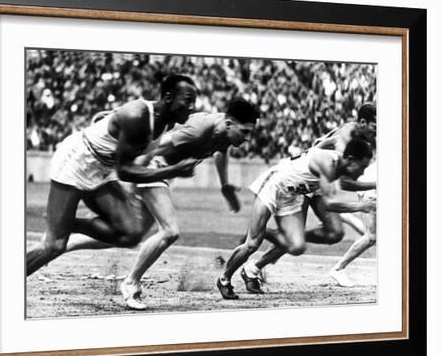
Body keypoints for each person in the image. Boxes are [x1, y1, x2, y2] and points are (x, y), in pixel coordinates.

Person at [26, 75, 199, 276]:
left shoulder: (166, 124)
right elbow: (125, 172)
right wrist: (174, 170)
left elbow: (128, 155)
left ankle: (64, 222)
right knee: (54, 245)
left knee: (131, 234)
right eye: (188, 100)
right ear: (169, 98)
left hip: (101, 169)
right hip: (76, 161)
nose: (193, 107)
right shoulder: (139, 115)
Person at [118, 98, 259, 309]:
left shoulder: (224, 131)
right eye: (245, 131)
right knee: (170, 231)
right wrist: (131, 179)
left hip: (163, 173)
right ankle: (130, 283)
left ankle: (57, 244)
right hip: (153, 167)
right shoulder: (197, 129)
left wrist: (224, 185)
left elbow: (221, 151)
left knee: (129, 233)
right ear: (229, 123)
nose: (247, 138)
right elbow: (153, 148)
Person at [238, 104, 377, 289]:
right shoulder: (346, 137)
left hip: (318, 182)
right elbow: (342, 181)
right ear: (362, 122)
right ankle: (254, 266)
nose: (378, 131)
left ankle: (267, 242)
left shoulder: (360, 139)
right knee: (298, 237)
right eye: (376, 126)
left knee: (334, 233)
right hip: (305, 180)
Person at [217, 138, 375, 299]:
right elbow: (328, 204)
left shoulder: (340, 164)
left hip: (291, 196)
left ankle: (265, 233)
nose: (362, 172)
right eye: (362, 167)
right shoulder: (327, 164)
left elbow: (345, 183)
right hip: (274, 185)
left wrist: (375, 184)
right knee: (252, 244)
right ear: (350, 160)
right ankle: (224, 279)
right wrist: (361, 206)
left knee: (297, 247)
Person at [330, 160, 377, 286]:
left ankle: (344, 217)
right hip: (372, 190)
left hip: (372, 186)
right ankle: (338, 269)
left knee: (373, 235)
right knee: (372, 237)